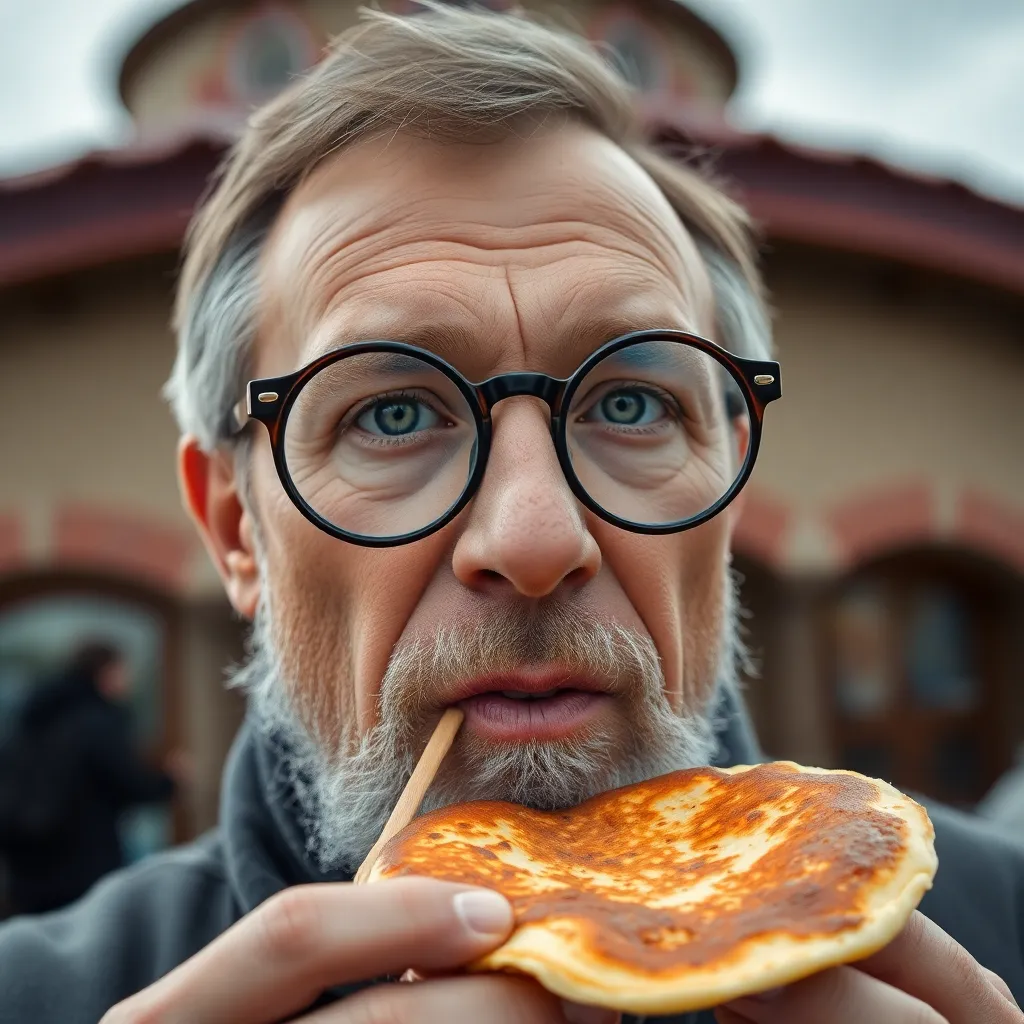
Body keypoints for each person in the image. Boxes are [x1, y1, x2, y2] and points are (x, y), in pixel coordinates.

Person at [0, 7, 1021, 1023]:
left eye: (632, 404)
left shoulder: (1002, 923)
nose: (534, 541)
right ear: (235, 530)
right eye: (391, 413)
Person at [0, 641, 182, 916]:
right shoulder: (97, 723)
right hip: (82, 865)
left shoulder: (34, 720)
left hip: (28, 867)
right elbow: (130, 783)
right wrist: (170, 781)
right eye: (123, 671)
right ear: (106, 673)